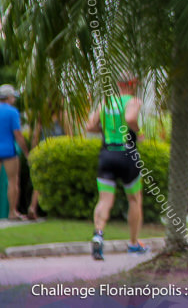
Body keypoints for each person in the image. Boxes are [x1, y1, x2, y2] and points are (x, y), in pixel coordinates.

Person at [85, 73, 147, 260]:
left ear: (118, 84)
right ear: (133, 83)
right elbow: (129, 119)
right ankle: (134, 244)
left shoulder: (105, 103)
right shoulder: (133, 101)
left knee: (104, 201)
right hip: (127, 155)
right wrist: (139, 132)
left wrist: (105, 129)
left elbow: (90, 126)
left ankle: (98, 234)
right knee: (135, 200)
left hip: (107, 155)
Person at [27, 109, 72, 220]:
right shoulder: (63, 116)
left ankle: (33, 207)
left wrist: (32, 153)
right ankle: (58, 210)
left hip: (43, 152)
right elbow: (69, 135)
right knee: (59, 182)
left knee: (39, 183)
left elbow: (35, 137)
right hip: (58, 153)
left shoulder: (42, 116)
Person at [0, 84, 29, 221]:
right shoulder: (12, 112)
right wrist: (26, 151)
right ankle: (12, 212)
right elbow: (17, 134)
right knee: (13, 181)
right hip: (8, 150)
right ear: (9, 97)